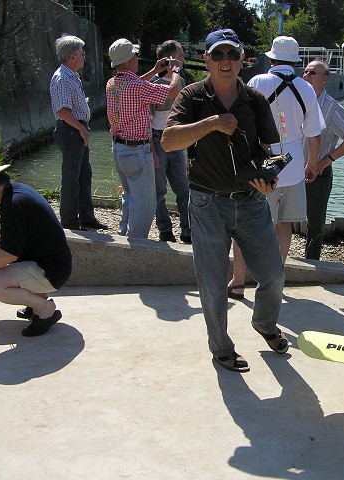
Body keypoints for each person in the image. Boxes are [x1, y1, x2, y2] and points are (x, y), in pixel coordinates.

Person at [161, 28, 287, 373]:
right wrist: (213, 123)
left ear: (243, 59)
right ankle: (221, 348)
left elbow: (268, 152)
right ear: (206, 60)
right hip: (206, 203)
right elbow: (169, 141)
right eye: (218, 55)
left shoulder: (256, 101)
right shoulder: (191, 97)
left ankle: (264, 324)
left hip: (250, 201)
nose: (226, 61)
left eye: (232, 54)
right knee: (214, 284)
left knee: (274, 275)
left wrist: (268, 178)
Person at [227, 36, 324, 299]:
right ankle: (275, 281)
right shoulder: (306, 89)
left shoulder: (257, 82)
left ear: (270, 59)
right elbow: (314, 135)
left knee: (245, 225)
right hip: (292, 165)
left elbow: (240, 120)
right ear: (295, 62)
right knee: (284, 225)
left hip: (262, 161)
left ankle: (237, 282)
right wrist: (311, 164)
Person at [0, 154, 72, 337]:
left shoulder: (13, 205)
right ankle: (35, 300)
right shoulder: (15, 193)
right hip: (49, 263)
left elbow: (8, 255)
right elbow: (9, 235)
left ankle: (44, 309)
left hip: (51, 271)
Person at [106, 38, 182, 238]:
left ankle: (124, 236)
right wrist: (175, 71)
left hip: (119, 149)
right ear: (131, 59)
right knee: (144, 204)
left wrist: (155, 72)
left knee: (129, 197)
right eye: (135, 55)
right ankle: (136, 246)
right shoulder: (137, 87)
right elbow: (173, 91)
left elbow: (137, 83)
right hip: (137, 151)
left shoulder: (112, 84)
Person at [302, 60, 344, 259]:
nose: (307, 75)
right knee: (280, 216)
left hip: (318, 173)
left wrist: (327, 159)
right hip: (293, 170)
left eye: (312, 73)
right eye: (305, 72)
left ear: (325, 79)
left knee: (315, 222)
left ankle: (312, 262)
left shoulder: (330, 107)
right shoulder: (296, 100)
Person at [50, 34, 107, 231]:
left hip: (76, 130)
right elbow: (63, 110)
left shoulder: (71, 76)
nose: (85, 57)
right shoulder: (63, 78)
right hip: (71, 130)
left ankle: (86, 217)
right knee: (71, 177)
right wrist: (81, 128)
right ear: (73, 56)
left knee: (84, 175)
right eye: (82, 53)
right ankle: (69, 221)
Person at [150, 40, 191, 244]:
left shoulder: (180, 81)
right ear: (170, 59)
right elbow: (147, 121)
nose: (182, 59)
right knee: (159, 191)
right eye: (180, 55)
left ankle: (187, 230)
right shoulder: (154, 83)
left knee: (184, 189)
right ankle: (165, 230)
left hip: (175, 139)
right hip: (157, 138)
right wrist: (153, 151)